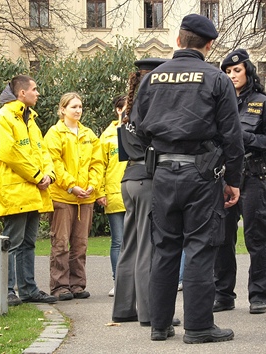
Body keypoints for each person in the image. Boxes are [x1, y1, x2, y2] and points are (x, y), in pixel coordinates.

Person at [132, 14, 244, 344]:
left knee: (165, 248)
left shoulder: (152, 79)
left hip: (163, 173)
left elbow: (136, 128)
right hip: (201, 174)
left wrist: (156, 156)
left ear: (178, 41)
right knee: (199, 248)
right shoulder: (216, 79)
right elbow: (232, 137)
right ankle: (197, 326)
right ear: (209, 45)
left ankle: (159, 324)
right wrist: (233, 180)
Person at [111, 57, 180, 328]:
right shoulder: (151, 107)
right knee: (148, 248)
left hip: (129, 179)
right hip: (147, 178)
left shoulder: (130, 109)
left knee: (130, 245)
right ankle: (150, 312)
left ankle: (124, 308)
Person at [213, 49, 266, 315]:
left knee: (257, 237)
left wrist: (242, 137)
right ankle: (223, 295)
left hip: (253, 176)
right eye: (227, 72)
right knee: (222, 238)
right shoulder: (220, 104)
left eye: (236, 70)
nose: (232, 76)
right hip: (225, 178)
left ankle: (259, 295)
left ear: (248, 71)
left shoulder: (263, 103)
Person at [0, 75, 58, 306]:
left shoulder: (30, 119)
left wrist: (50, 174)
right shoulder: (2, 117)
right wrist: (39, 176)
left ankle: (28, 289)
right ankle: (7, 291)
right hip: (15, 190)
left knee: (28, 242)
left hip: (33, 190)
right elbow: (8, 153)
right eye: (35, 89)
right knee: (13, 242)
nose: (38, 93)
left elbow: (42, 151)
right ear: (22, 93)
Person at [45, 92, 103, 301]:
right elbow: (54, 163)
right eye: (73, 107)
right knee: (60, 243)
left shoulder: (89, 134)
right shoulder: (55, 133)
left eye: (80, 106)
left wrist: (92, 185)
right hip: (62, 197)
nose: (78, 110)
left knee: (80, 244)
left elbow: (98, 163)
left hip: (85, 198)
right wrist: (72, 186)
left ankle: (77, 284)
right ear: (62, 110)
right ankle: (60, 286)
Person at [96, 95, 127, 297]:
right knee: (118, 241)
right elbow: (99, 166)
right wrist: (100, 192)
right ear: (118, 110)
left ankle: (137, 280)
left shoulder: (139, 131)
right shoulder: (107, 136)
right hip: (115, 194)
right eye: (125, 108)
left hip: (136, 193)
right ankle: (118, 281)